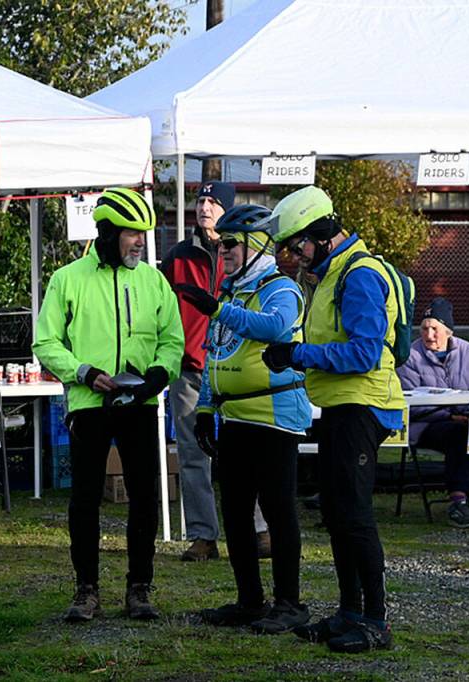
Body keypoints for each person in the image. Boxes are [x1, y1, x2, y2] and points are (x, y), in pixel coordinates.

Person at [263, 185, 404, 653]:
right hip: (342, 405)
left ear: (322, 234)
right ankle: (350, 611)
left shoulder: (359, 275)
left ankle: (376, 621)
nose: (296, 254)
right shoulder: (332, 274)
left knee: (356, 515)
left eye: (299, 243)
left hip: (363, 404)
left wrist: (298, 354)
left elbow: (364, 352)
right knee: (337, 513)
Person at [33, 187, 184, 621]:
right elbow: (45, 341)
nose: (140, 242)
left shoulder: (153, 280)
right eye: (132, 233)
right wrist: (81, 371)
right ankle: (86, 590)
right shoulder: (68, 279)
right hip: (89, 403)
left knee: (144, 496)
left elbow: (172, 340)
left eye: (144, 235)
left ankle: (139, 589)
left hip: (138, 401)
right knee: (84, 499)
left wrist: (158, 374)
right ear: (107, 233)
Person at [174, 205, 312, 634]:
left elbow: (272, 328)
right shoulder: (232, 292)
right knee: (234, 512)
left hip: (273, 417)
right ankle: (250, 600)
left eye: (231, 244)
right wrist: (206, 409)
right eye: (220, 245)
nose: (224, 252)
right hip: (234, 417)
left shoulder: (281, 289)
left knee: (277, 510)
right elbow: (218, 355)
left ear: (257, 246)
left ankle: (289, 603)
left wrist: (216, 309)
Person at [161, 181, 234, 561]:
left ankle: (256, 530)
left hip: (235, 368)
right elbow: (162, 310)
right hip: (189, 368)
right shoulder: (176, 257)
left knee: (242, 450)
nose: (204, 207)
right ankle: (204, 536)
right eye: (201, 201)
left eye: (213, 202)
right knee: (193, 453)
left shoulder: (243, 253)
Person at [396, 297, 469, 527]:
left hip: (468, 420)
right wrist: (451, 415)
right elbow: (411, 401)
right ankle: (459, 502)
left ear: (448, 331)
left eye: (434, 329)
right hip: (427, 424)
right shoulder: (411, 356)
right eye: (424, 329)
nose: (429, 335)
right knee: (460, 434)